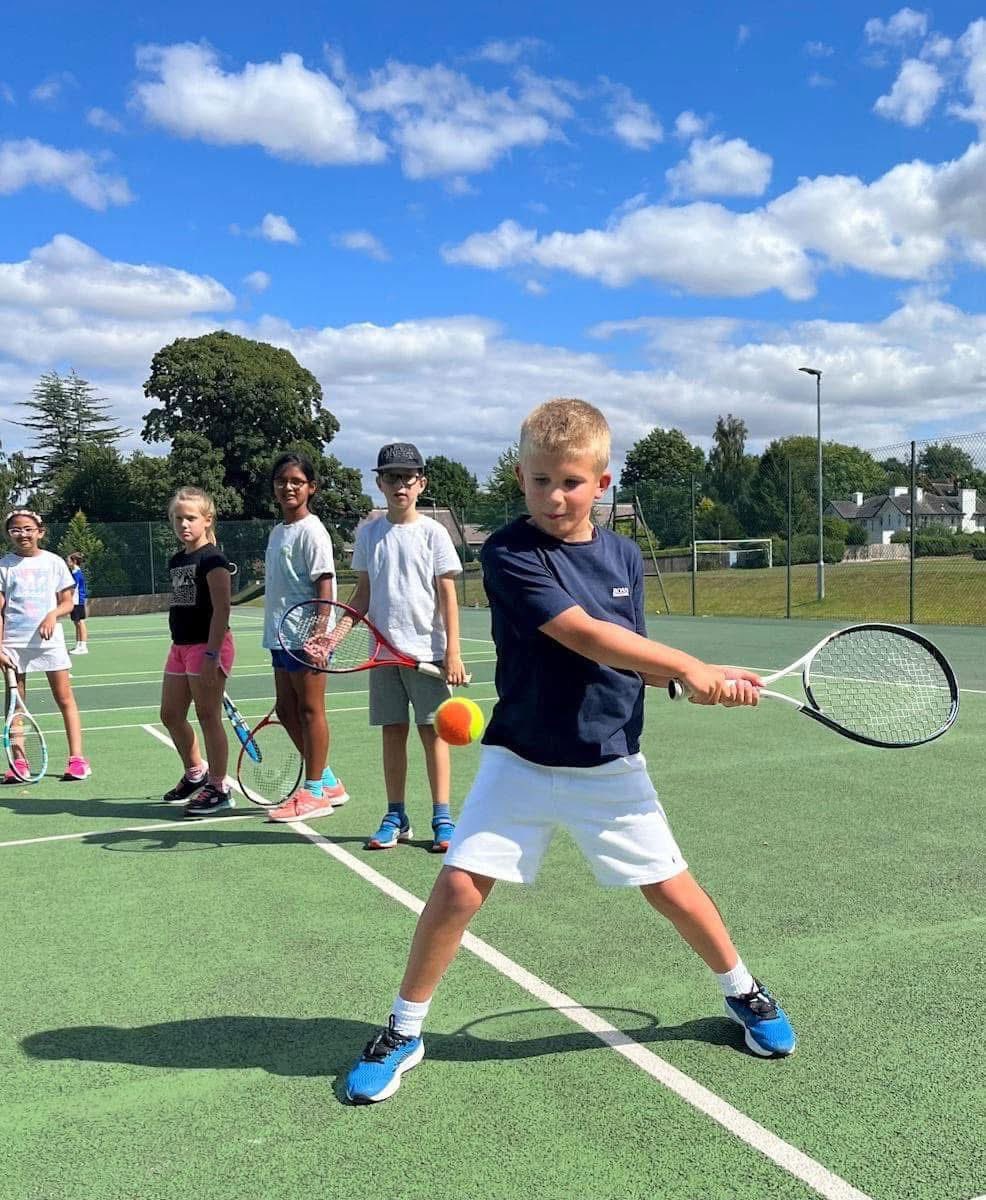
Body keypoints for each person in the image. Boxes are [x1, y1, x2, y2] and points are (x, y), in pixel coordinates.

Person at [344, 399, 795, 1105]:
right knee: (458, 888)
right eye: (539, 481)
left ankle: (745, 991)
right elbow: (582, 633)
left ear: (603, 482)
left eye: (571, 482)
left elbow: (632, 657)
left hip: (611, 761)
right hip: (520, 758)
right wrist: (686, 663)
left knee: (672, 889)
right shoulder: (507, 553)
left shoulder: (624, 556)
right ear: (520, 479)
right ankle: (404, 1029)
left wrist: (698, 681)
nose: (554, 496)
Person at [348, 442, 467, 854]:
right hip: (382, 655)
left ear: (422, 484)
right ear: (380, 483)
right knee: (392, 733)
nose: (400, 485)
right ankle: (396, 815)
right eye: (392, 477)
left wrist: (452, 652)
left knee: (433, 734)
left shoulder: (434, 533)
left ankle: (443, 815)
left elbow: (447, 595)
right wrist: (335, 632)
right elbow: (362, 596)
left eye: (408, 477)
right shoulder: (369, 535)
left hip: (426, 653)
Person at [263, 452, 348, 823]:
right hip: (280, 635)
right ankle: (327, 780)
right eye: (282, 481)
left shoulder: (313, 531)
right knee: (286, 709)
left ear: (311, 488)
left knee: (311, 710)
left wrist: (320, 631)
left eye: (297, 481)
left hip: (306, 637)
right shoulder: (279, 531)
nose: (288, 487)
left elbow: (325, 582)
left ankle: (314, 791)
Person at [159, 487, 237, 816]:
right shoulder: (177, 559)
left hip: (208, 647)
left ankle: (219, 787)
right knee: (171, 715)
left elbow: (222, 609)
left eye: (190, 518)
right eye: (178, 518)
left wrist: (211, 656)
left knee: (208, 717)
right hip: (180, 647)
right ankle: (196, 773)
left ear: (207, 520)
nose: (184, 524)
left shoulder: (213, 559)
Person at [0, 509, 90, 781]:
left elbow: (68, 602)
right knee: (15, 705)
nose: (22, 534)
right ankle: (20, 762)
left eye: (28, 528)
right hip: (13, 644)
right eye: (16, 530)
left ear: (40, 531)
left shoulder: (53, 563)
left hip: (50, 643)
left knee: (65, 699)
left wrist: (52, 614)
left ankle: (77, 760)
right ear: (8, 534)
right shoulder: (3, 565)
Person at [66, 552, 89, 654]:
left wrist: (66, 599)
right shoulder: (74, 572)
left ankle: (83, 646)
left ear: (74, 561)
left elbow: (73, 588)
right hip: (75, 601)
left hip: (77, 601)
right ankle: (78, 645)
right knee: (76, 622)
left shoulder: (76, 573)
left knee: (80, 622)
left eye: (69, 560)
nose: (67, 562)